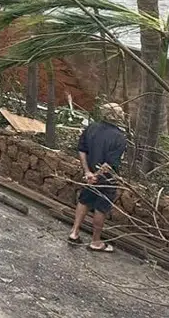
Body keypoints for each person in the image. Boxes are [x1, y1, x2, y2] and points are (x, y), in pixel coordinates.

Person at [68, 102, 128, 252]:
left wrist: (88, 172)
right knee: (101, 208)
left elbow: (82, 150)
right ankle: (96, 242)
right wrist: (96, 175)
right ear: (116, 116)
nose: (122, 115)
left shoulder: (92, 127)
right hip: (106, 179)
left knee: (84, 200)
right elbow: (110, 163)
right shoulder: (119, 137)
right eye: (120, 112)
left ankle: (74, 232)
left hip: (90, 176)